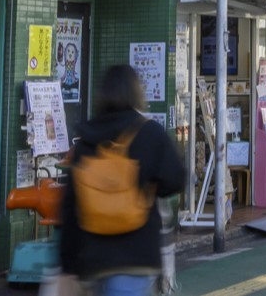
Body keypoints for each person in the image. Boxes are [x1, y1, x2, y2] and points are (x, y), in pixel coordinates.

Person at [59, 64, 187, 296]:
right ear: (136, 92)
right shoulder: (149, 132)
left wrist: (67, 264)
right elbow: (175, 179)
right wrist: (148, 186)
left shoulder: (86, 138)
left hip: (92, 256)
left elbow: (70, 206)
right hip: (136, 254)